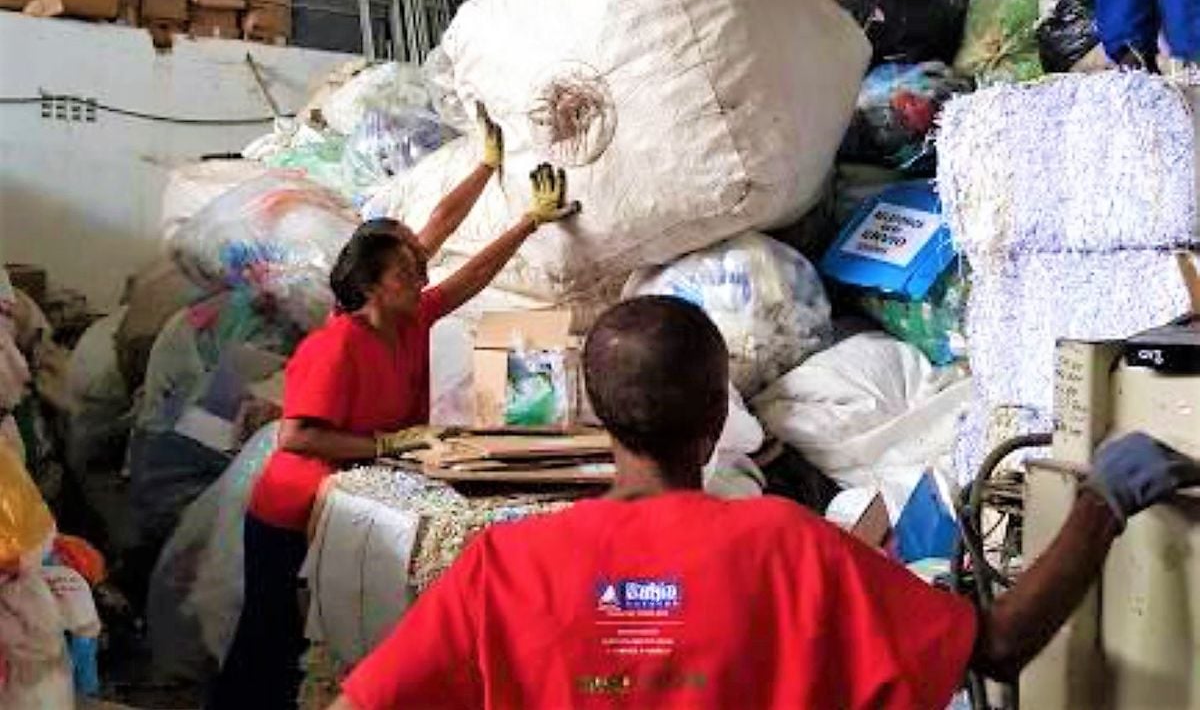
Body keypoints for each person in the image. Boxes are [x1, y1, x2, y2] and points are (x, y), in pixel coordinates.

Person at [329, 295, 1200, 710]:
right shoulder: (794, 549)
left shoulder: (501, 569)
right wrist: (1100, 503)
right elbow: (1000, 645)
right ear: (719, 418)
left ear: (597, 417)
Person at [209, 106, 581, 709]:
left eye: (418, 265)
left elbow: (470, 274)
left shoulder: (411, 317)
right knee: (268, 640)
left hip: (347, 502)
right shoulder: (336, 344)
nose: (424, 272)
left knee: (318, 641)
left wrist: (525, 220)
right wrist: (388, 445)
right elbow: (296, 439)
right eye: (409, 269)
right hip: (291, 509)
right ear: (377, 284)